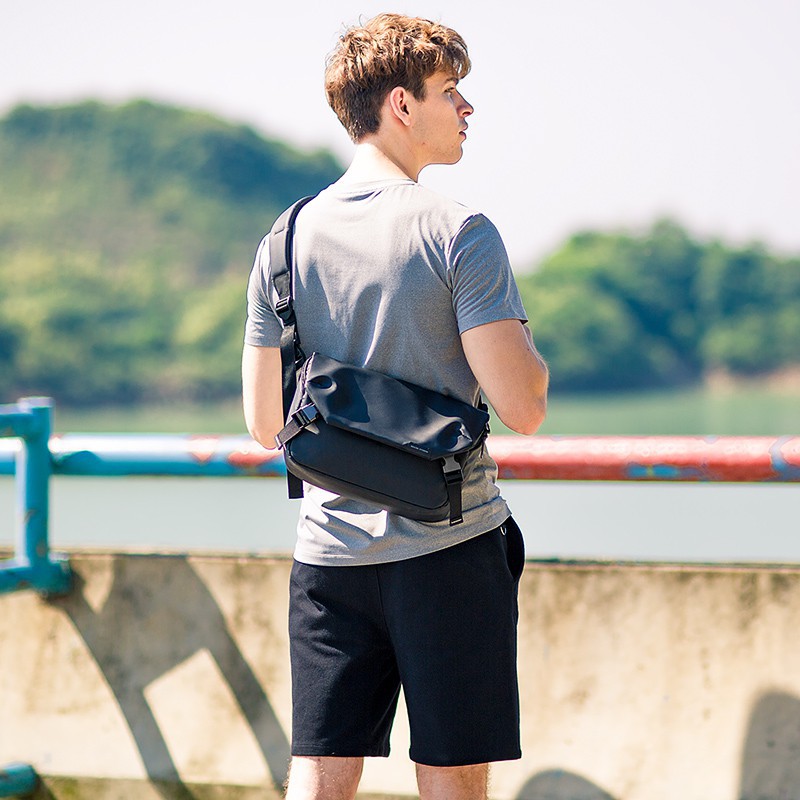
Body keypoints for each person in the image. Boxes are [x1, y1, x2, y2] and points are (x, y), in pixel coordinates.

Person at [242, 12, 549, 800]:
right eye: (451, 91)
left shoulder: (284, 239)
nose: (468, 108)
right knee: (451, 776)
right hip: (451, 547)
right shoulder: (460, 233)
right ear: (402, 104)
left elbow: (265, 423)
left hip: (327, 556)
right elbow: (524, 406)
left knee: (319, 773)